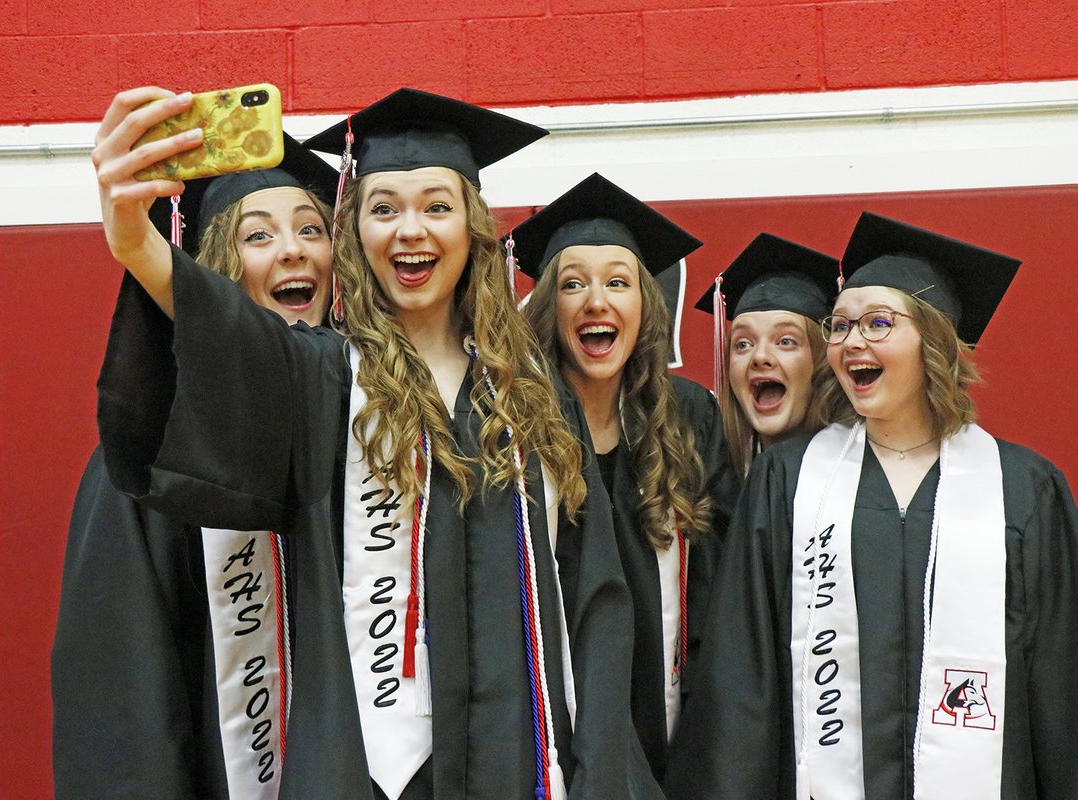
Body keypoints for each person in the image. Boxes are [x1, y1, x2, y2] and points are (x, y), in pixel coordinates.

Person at [90, 86, 641, 800]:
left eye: (436, 206)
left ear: (472, 229)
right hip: (366, 776)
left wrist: (598, 772)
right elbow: (232, 337)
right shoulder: (321, 379)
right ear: (356, 234)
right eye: (384, 209)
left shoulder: (535, 400)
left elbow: (595, 602)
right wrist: (137, 243)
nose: (410, 230)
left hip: (523, 769)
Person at [663, 211, 1078, 799]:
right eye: (840, 326)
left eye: (877, 323)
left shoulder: (1022, 489)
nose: (852, 342)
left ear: (935, 340)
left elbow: (1073, 694)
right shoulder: (789, 483)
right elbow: (742, 690)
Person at [52, 135, 337, 800]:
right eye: (257, 236)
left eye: (310, 229)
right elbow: (124, 696)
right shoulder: (150, 455)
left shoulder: (368, 436)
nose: (293, 250)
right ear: (213, 274)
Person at [515, 173, 737, 784]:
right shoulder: (513, 423)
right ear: (548, 308)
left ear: (645, 305)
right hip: (555, 722)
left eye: (618, 281)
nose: (596, 302)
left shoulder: (690, 419)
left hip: (668, 720)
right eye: (572, 284)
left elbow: (720, 585)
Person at [693, 233, 838, 476]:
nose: (760, 356)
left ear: (824, 361)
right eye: (742, 344)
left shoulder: (860, 480)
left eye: (785, 341)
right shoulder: (708, 480)